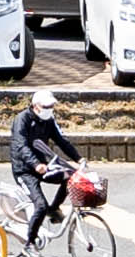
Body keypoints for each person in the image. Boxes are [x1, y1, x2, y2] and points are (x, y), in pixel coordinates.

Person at [8, 88, 81, 245]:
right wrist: (35, 164)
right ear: (36, 106)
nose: (49, 110)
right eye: (46, 107)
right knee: (40, 206)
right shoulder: (22, 119)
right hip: (24, 170)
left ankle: (54, 208)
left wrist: (79, 159)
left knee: (71, 177)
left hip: (43, 166)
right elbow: (21, 146)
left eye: (51, 107)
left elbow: (61, 141)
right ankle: (30, 243)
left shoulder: (48, 121)